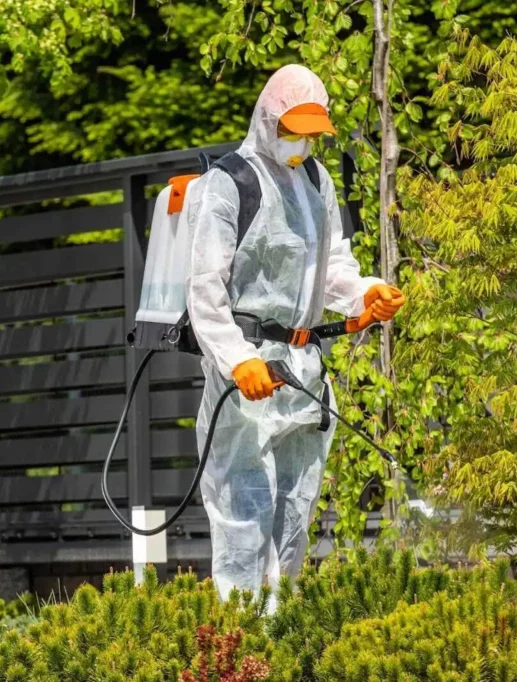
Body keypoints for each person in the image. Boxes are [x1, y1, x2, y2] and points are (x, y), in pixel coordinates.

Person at [184, 64, 405, 609]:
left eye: (311, 131)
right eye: (292, 128)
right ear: (267, 119)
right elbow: (205, 289)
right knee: (244, 512)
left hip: (304, 368)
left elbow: (331, 264)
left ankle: (280, 634)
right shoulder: (228, 184)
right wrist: (237, 359)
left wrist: (365, 294)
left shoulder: (316, 181)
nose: (301, 141)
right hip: (251, 373)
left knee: (295, 511)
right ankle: (242, 645)